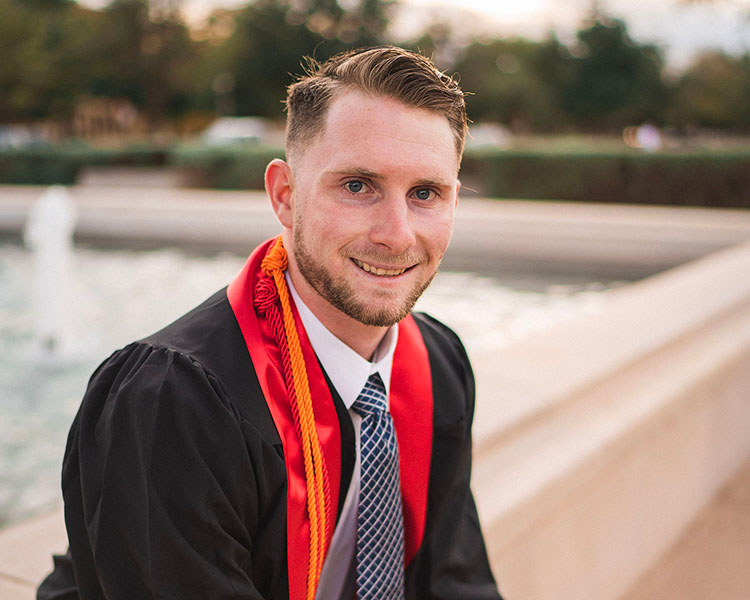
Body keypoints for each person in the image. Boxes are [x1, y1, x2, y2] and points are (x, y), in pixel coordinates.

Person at [38, 46, 503, 600]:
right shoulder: (176, 401)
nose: (397, 234)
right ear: (285, 196)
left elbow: (455, 583)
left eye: (426, 193)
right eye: (358, 186)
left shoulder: (438, 365)